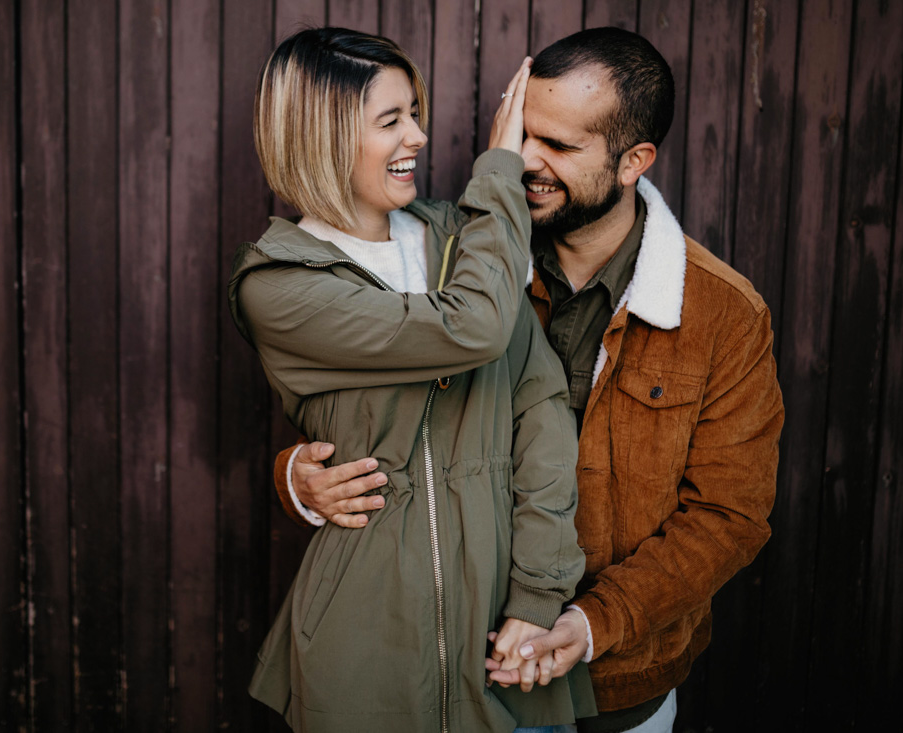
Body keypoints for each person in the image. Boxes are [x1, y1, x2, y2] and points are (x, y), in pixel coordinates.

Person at [278, 27, 784, 733]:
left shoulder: (724, 313)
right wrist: (297, 472)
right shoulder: (461, 258)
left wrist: (590, 622)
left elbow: (729, 516)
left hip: (617, 683)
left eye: (562, 147)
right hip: (467, 672)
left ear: (635, 159)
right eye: (523, 135)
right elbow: (377, 397)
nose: (528, 165)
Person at [229, 27, 596, 733]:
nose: (420, 137)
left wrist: (536, 594)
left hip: (506, 644)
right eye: (391, 120)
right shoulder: (277, 284)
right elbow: (473, 328)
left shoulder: (466, 237)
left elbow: (540, 408)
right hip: (363, 652)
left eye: (416, 114)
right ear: (325, 136)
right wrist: (498, 170)